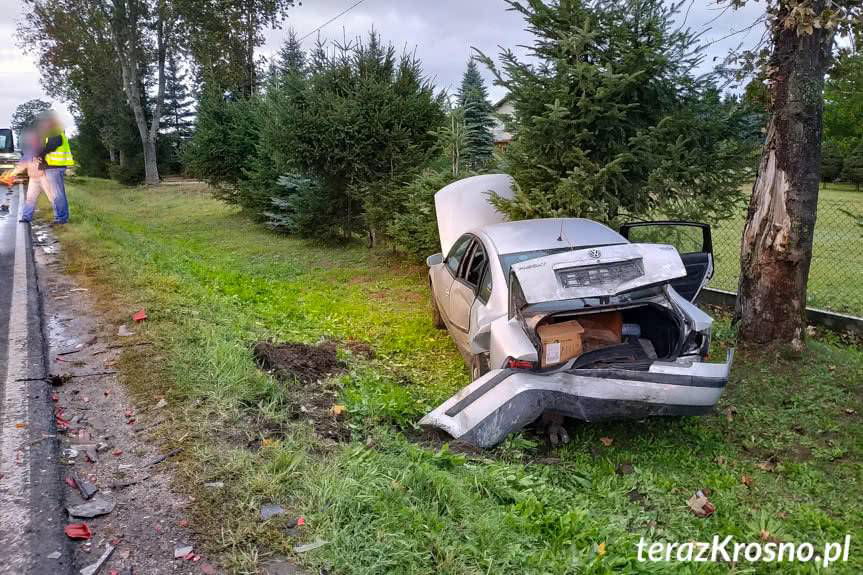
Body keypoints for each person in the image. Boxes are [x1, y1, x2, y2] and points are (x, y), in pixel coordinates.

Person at [35, 111, 74, 224]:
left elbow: (50, 147)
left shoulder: (55, 132)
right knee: (56, 193)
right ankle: (59, 217)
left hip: (54, 167)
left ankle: (61, 218)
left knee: (57, 194)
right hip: (53, 167)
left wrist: (39, 154)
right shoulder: (55, 132)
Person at [6, 128, 48, 224]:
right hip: (33, 179)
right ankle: (26, 217)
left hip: (44, 177)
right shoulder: (29, 152)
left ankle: (61, 218)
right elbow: (21, 165)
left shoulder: (44, 150)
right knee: (30, 198)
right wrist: (11, 175)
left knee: (53, 197)